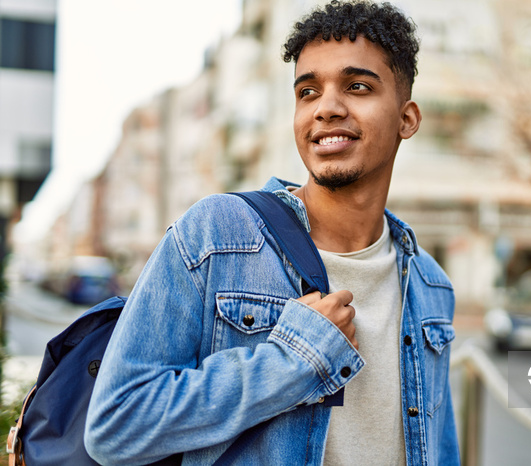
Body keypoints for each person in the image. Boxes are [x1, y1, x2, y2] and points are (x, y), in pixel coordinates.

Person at [85, 1, 459, 464]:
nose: (326, 109)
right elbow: (115, 423)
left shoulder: (431, 285)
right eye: (307, 92)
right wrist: (292, 361)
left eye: (357, 86)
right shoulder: (216, 236)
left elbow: (438, 448)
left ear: (407, 118)